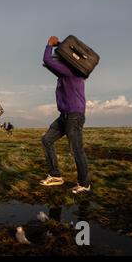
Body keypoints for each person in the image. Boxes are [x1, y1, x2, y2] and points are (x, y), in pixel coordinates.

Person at [40, 36, 90, 194]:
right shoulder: (67, 73)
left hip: (74, 116)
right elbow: (50, 64)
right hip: (65, 116)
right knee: (47, 139)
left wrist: (50, 45)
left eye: (60, 58)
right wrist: (62, 46)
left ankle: (84, 184)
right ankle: (55, 175)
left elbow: (47, 60)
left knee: (76, 150)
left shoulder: (70, 71)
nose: (58, 61)